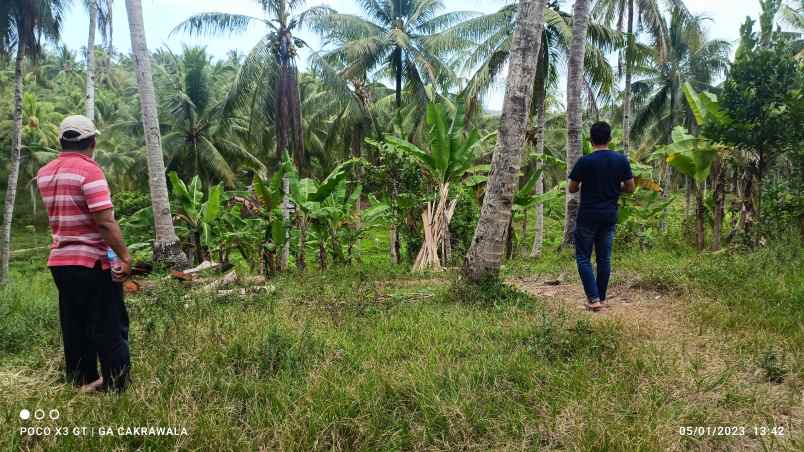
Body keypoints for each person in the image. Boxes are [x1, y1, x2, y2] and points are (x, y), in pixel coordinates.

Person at [37, 115, 132, 392]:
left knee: (75, 323)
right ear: (91, 141)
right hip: (91, 261)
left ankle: (83, 381)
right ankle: (116, 385)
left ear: (61, 141)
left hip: (61, 262)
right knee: (110, 323)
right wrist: (124, 257)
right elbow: (104, 221)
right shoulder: (90, 171)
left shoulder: (45, 173)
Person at [568, 121, 635, 312]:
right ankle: (602, 298)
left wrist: (586, 185)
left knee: (583, 257)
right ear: (610, 139)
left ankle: (594, 299)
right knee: (604, 258)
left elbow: (572, 188)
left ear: (590, 140)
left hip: (587, 215)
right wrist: (615, 187)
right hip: (609, 215)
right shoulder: (621, 160)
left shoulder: (585, 161)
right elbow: (630, 188)